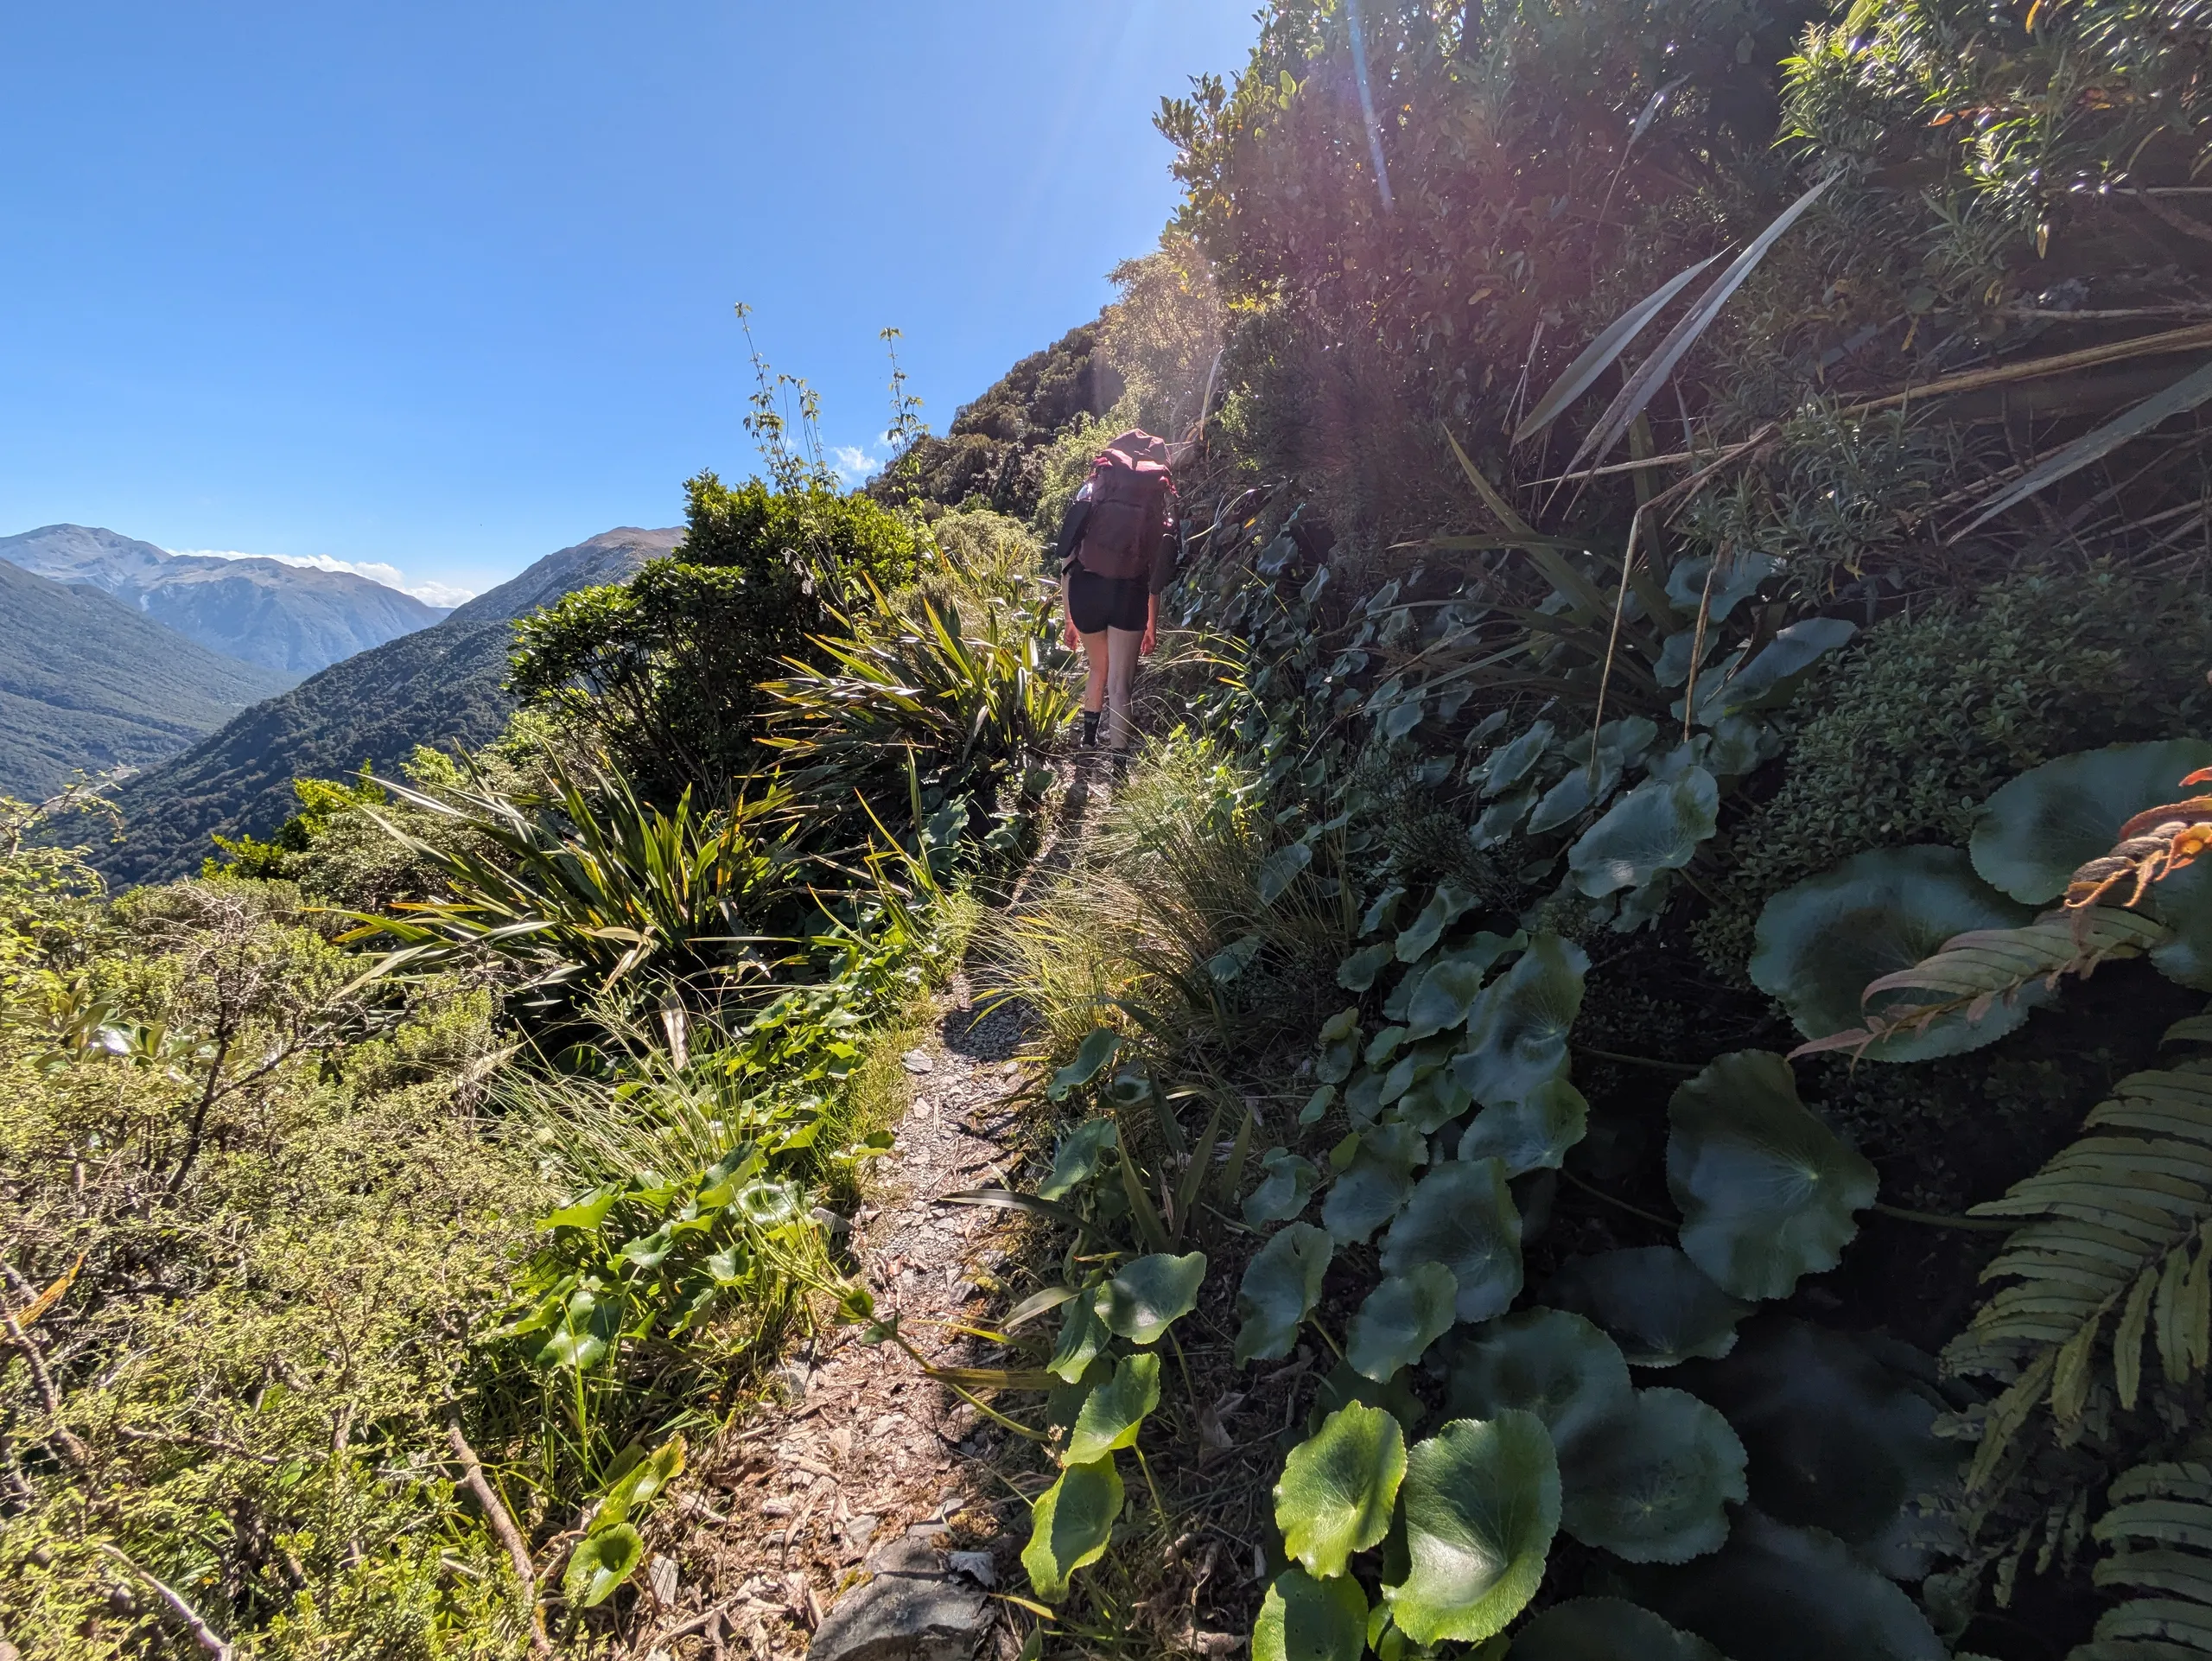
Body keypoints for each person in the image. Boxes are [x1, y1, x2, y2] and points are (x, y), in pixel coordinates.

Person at [1053, 428, 1183, 765]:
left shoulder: (1094, 487)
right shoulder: (1158, 498)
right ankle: (1119, 767)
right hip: (1130, 593)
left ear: (1113, 454)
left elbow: (1067, 558)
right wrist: (1151, 624)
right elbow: (1155, 575)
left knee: (1098, 667)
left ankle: (1088, 740)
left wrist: (1069, 616)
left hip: (1086, 590)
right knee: (1121, 685)